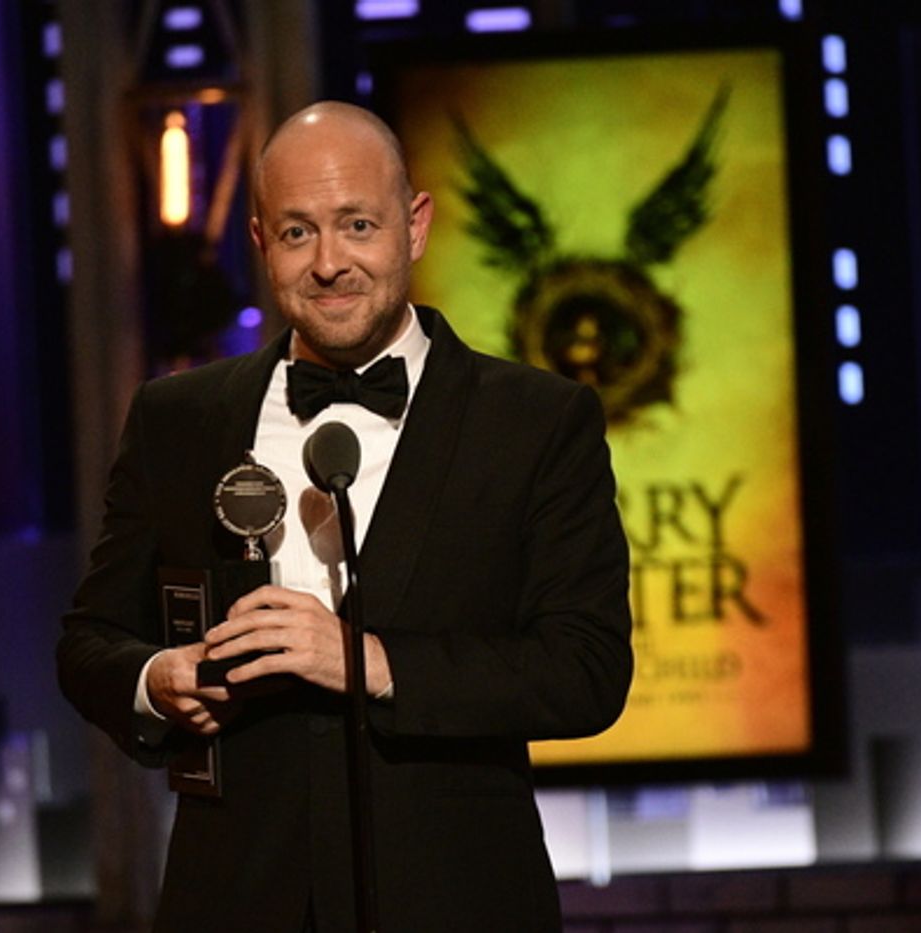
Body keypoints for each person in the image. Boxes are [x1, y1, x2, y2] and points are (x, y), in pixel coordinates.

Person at [57, 100, 633, 933]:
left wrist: (367, 659)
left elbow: (584, 669)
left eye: (357, 224)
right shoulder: (177, 419)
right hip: (234, 899)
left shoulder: (536, 423)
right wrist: (158, 681)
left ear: (415, 224)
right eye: (297, 233)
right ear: (259, 242)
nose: (329, 262)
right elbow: (88, 643)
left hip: (458, 903)